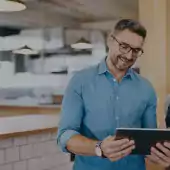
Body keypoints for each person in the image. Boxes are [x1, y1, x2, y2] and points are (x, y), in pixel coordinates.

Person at [57, 19, 170, 170]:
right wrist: (99, 147)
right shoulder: (80, 82)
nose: (129, 56)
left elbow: (147, 143)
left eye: (136, 50)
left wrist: (160, 155)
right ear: (110, 40)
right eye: (124, 47)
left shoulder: (146, 89)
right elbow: (65, 136)